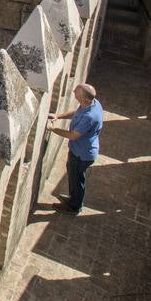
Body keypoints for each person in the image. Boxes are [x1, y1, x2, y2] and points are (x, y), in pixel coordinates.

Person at [47, 82, 104, 215]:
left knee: (77, 181)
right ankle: (74, 200)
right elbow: (78, 111)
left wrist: (53, 129)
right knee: (73, 177)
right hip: (78, 151)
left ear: (84, 98)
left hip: (82, 155)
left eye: (76, 92)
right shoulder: (92, 103)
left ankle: (74, 207)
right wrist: (58, 116)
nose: (73, 92)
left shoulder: (90, 116)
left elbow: (73, 136)